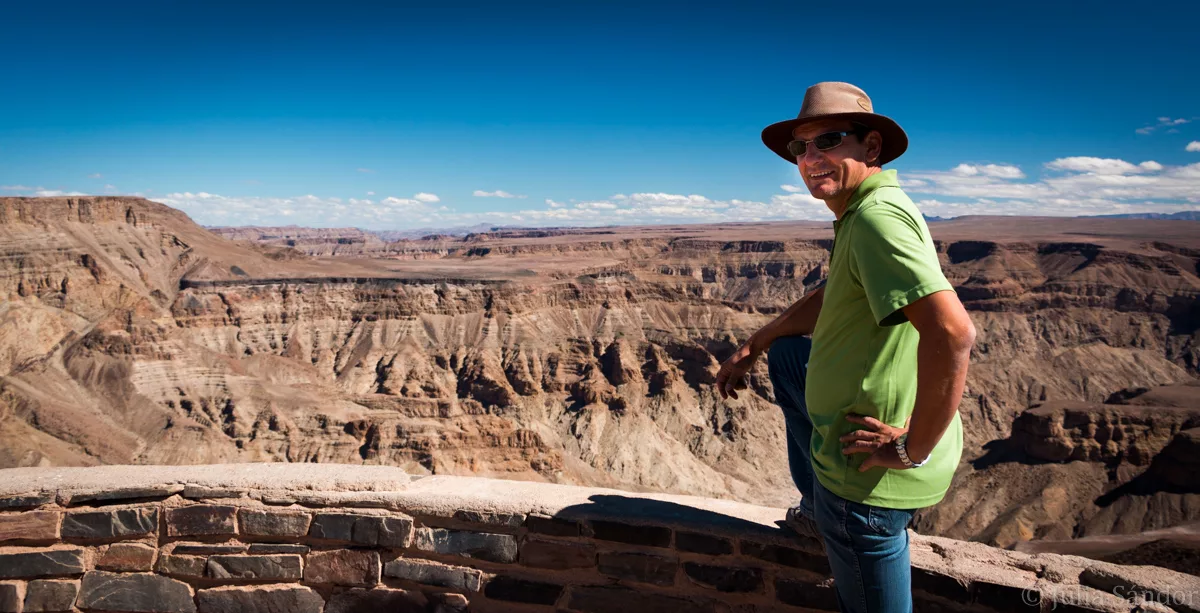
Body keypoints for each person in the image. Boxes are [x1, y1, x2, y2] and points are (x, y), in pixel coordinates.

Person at [715, 82, 976, 613]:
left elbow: (952, 333)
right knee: (790, 357)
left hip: (866, 486)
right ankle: (816, 506)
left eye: (828, 140)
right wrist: (757, 343)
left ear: (871, 147)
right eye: (799, 148)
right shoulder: (863, 211)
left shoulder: (877, 219)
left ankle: (830, 507)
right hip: (854, 459)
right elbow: (834, 293)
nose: (810, 159)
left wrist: (910, 449)